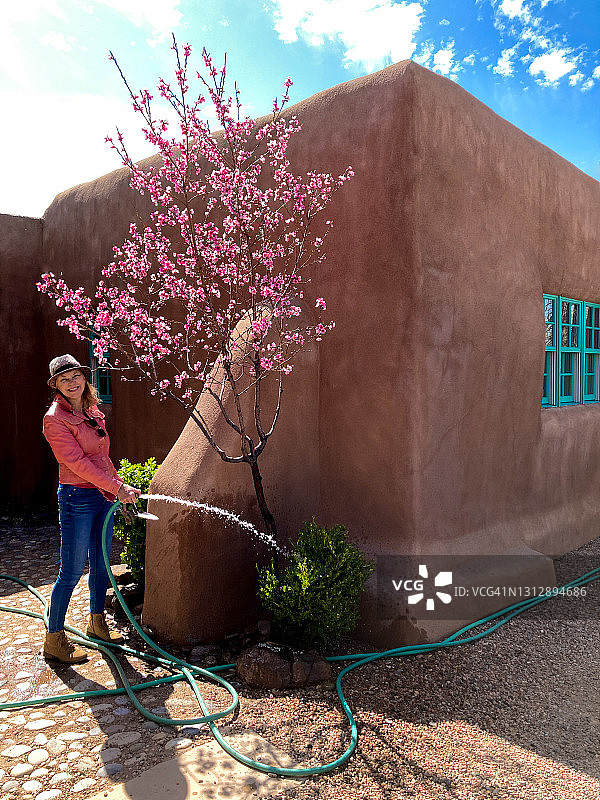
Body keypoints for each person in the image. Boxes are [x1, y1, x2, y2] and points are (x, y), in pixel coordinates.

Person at [42, 354, 140, 664]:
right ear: (56, 386)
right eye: (64, 379)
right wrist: (116, 488)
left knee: (101, 565)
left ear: (85, 378)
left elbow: (101, 456)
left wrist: (119, 486)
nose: (71, 382)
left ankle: (97, 623)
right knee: (70, 572)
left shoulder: (93, 411)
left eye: (75, 375)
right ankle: (54, 639)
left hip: (103, 496)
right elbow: (77, 463)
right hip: (77, 498)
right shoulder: (54, 419)